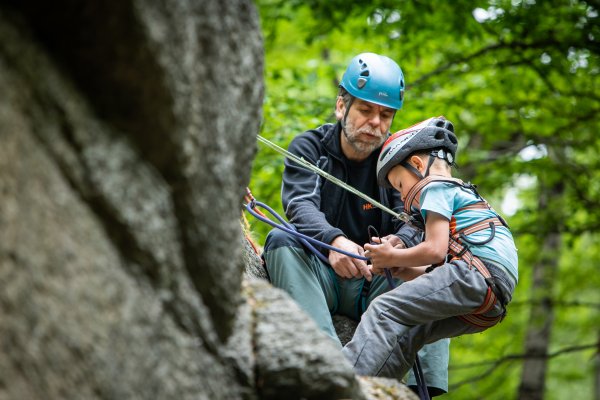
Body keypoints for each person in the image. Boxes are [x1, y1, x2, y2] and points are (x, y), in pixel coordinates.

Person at [262, 53, 449, 396]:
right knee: (280, 241)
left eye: (385, 114)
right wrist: (335, 243)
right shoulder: (309, 147)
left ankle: (425, 392)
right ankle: (330, 374)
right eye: (366, 110)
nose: (375, 123)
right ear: (341, 107)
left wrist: (399, 247)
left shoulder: (398, 162)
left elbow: (414, 219)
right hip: (321, 275)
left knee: (433, 266)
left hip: (380, 278)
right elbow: (300, 205)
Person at [342, 116, 518, 380]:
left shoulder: (433, 186)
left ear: (417, 164)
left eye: (400, 185)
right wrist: (402, 267)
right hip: (491, 294)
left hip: (476, 275)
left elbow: (435, 250)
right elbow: (440, 272)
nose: (402, 198)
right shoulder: (459, 193)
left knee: (384, 308)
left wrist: (392, 256)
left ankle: (339, 381)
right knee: (409, 335)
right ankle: (379, 390)